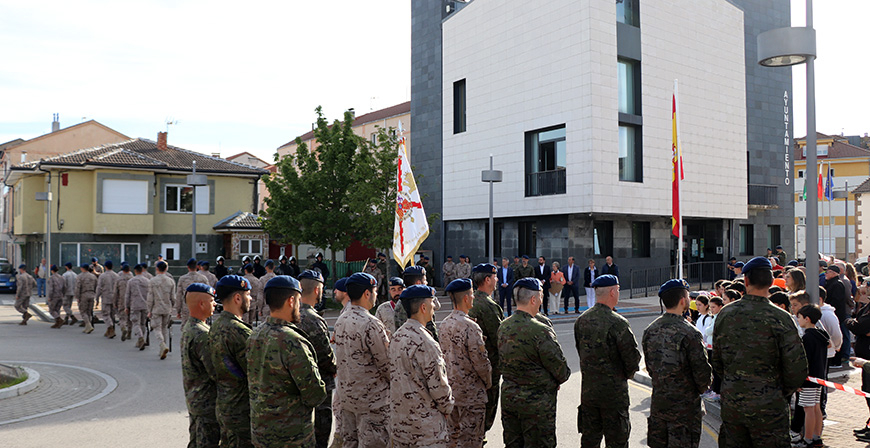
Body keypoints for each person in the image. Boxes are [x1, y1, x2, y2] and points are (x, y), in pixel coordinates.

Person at [711, 256, 808, 448]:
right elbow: (797, 368)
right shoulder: (781, 317)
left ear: (746, 280)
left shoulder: (726, 314)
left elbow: (717, 360)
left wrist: (733, 383)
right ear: (771, 281)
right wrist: (780, 392)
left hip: (734, 404)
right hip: (769, 406)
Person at [248, 275, 327, 447]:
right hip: (291, 435)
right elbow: (315, 394)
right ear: (291, 301)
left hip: (261, 431)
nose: (299, 307)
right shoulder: (293, 341)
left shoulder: (255, 334)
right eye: (298, 301)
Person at [499, 278, 570, 447]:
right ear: (533, 299)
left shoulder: (503, 326)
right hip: (537, 406)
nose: (541, 300)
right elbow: (562, 371)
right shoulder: (540, 330)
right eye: (541, 296)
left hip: (510, 400)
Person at [642, 279, 712, 448]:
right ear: (682, 300)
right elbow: (703, 376)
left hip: (659, 405)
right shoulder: (690, 332)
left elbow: (651, 368)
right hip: (684, 411)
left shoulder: (650, 330)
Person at [574, 274, 641, 447]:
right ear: (612, 292)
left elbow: (581, 352)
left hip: (589, 394)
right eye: (618, 290)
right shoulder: (618, 323)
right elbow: (632, 361)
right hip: (614, 397)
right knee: (617, 443)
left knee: (589, 441)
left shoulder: (582, 320)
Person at [390, 284, 455, 447]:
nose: (434, 308)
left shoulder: (397, 336)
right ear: (423, 307)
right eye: (432, 303)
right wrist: (447, 408)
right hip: (425, 430)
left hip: (400, 426)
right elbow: (439, 388)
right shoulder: (426, 342)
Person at [333, 272, 391, 448]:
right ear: (367, 293)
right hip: (371, 404)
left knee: (350, 443)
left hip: (347, 399)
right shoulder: (371, 323)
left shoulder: (341, 319)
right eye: (374, 291)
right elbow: (387, 365)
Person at [441, 278, 492, 448]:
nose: (473, 298)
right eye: (471, 294)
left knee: (452, 438)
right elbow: (481, 362)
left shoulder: (444, 324)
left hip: (451, 391)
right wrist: (488, 382)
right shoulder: (471, 326)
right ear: (465, 298)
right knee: (471, 440)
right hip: (471, 395)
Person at [209, 274, 254, 448]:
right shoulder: (240, 332)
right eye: (248, 295)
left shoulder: (216, 326)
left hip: (225, 404)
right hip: (241, 410)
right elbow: (254, 372)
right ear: (237, 298)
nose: (250, 299)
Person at [298, 270, 338, 448]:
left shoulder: (290, 314)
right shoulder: (314, 319)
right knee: (321, 433)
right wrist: (334, 368)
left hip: (297, 388)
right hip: (319, 385)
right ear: (316, 290)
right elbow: (326, 356)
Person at [180, 283, 220, 448]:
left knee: (196, 442)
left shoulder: (189, 327)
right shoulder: (202, 334)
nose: (215, 304)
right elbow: (215, 372)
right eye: (211, 301)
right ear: (201, 304)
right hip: (206, 404)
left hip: (195, 400)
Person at [466, 262, 503, 437]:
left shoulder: (470, 301)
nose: (496, 279)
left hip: (468, 367)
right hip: (488, 367)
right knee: (486, 412)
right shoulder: (488, 305)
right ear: (487, 279)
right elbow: (499, 340)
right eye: (494, 276)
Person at [794, 305, 829, 448]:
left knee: (808, 409)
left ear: (807, 319)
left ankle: (807, 439)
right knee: (816, 408)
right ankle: (816, 436)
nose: (798, 320)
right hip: (819, 377)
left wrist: (798, 380)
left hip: (808, 379)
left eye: (799, 317)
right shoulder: (821, 336)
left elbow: (804, 361)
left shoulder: (807, 337)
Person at [394, 265, 441, 340]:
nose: (427, 283)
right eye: (425, 280)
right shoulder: (418, 302)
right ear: (419, 283)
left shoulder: (403, 301)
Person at [847, 285, 870, 440]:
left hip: (868, 359)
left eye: (867, 286)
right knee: (867, 393)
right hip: (864, 360)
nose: (864, 288)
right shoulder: (867, 306)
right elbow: (856, 322)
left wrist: (854, 323)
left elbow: (861, 326)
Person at [147, 261, 176, 360]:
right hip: (167, 308)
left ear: (157, 269)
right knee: (164, 328)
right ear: (166, 269)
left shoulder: (152, 281)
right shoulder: (171, 281)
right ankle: (163, 348)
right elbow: (173, 297)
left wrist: (149, 310)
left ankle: (162, 344)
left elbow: (150, 297)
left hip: (156, 308)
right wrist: (173, 307)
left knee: (156, 328)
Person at [125, 264, 151, 349]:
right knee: (143, 323)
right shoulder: (147, 281)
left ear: (135, 271)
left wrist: (126, 306)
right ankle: (141, 339)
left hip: (135, 304)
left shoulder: (131, 281)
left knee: (135, 322)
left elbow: (127, 295)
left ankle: (140, 338)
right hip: (145, 305)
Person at [96, 260, 119, 338]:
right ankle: (110, 330)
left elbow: (99, 287)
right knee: (112, 315)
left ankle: (110, 327)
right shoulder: (116, 275)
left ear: (105, 267)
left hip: (106, 297)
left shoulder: (102, 276)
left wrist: (97, 297)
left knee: (105, 314)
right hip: (114, 297)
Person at [75, 263, 98, 333]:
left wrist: (77, 297)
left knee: (83, 311)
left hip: (83, 295)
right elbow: (96, 286)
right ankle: (87, 327)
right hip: (91, 294)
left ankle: (88, 325)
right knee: (89, 312)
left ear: (82, 268)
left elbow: (78, 287)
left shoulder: (80, 276)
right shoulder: (93, 276)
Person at [115, 263, 133, 341]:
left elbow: (115, 292)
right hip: (131, 300)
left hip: (122, 300)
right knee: (130, 317)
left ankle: (123, 328)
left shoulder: (119, 279)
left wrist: (115, 302)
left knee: (122, 317)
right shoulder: (133, 279)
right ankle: (129, 332)